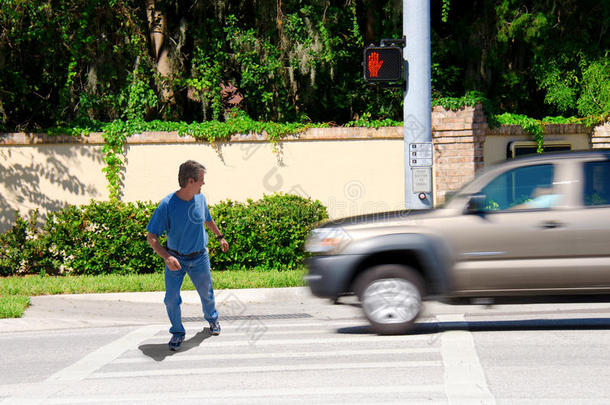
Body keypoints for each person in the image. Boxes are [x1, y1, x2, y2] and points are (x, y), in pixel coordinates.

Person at [146, 160, 229, 351]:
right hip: (176, 259)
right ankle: (177, 332)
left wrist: (220, 236)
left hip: (200, 257)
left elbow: (208, 219)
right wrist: (166, 257)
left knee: (206, 293)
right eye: (201, 180)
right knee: (171, 299)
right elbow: (152, 237)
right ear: (190, 181)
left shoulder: (200, 198)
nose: (203, 183)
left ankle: (212, 320)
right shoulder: (167, 205)